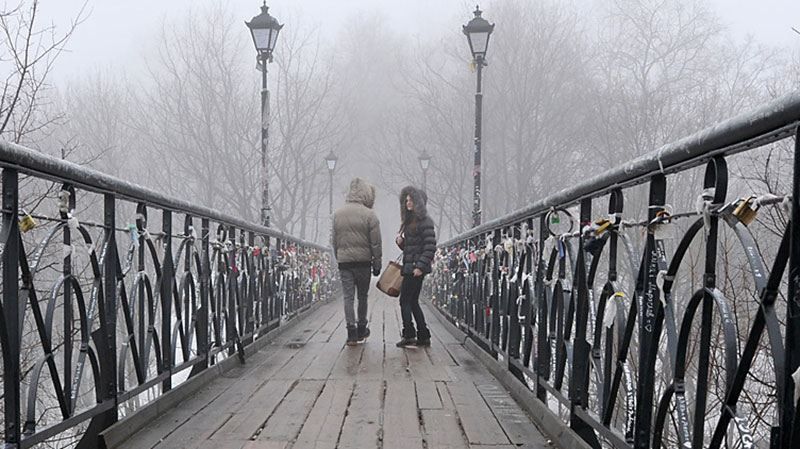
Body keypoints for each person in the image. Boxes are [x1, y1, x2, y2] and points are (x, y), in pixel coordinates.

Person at [332, 177, 382, 346]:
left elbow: (334, 241)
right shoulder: (370, 215)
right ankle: (361, 328)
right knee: (362, 296)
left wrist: (339, 257)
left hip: (345, 262)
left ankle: (351, 332)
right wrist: (377, 263)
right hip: (363, 262)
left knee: (348, 297)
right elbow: (376, 242)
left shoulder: (337, 214)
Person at [394, 185, 436, 347]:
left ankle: (410, 334)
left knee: (405, 301)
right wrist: (401, 242)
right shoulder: (410, 221)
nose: (408, 203)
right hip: (411, 266)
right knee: (412, 301)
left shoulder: (425, 222)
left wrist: (420, 266)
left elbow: (430, 246)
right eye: (406, 201)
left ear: (418, 202)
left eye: (411, 200)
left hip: (415, 268)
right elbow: (412, 248)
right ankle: (423, 335)